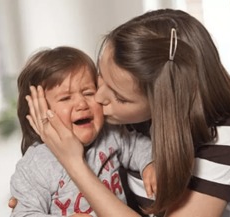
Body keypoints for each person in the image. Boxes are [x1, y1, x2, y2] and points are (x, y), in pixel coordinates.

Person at [13, 8, 230, 217]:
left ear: (162, 103)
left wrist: (73, 162)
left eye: (118, 96)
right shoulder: (124, 122)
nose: (98, 99)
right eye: (101, 79)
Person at [10, 46, 156, 217]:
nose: (82, 104)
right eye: (65, 98)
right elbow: (23, 214)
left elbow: (137, 145)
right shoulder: (36, 165)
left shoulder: (111, 136)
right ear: (38, 112)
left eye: (88, 93)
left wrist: (150, 163)